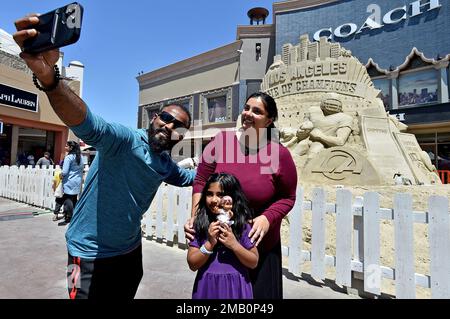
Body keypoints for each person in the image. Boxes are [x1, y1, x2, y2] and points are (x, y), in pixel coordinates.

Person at [13, 15, 195, 299]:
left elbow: (190, 178)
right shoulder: (124, 140)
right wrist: (50, 80)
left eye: (179, 126)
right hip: (84, 253)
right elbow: (88, 124)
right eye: (167, 118)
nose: (170, 126)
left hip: (130, 254)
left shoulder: (164, 166)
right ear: (155, 117)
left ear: (181, 137)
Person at [185, 92, 298, 299]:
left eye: (257, 111)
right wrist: (195, 218)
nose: (248, 113)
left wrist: (267, 218)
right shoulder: (221, 142)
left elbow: (288, 197)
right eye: (246, 108)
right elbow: (200, 181)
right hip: (219, 244)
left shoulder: (278, 153)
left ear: (269, 120)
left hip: (259, 247)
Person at [187, 173, 258, 299]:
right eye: (209, 194)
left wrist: (234, 245)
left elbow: (253, 261)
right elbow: (192, 264)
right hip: (207, 288)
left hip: (236, 289)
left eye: (220, 195)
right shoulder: (199, 225)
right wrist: (209, 244)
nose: (214, 200)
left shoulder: (241, 226)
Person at [58, 141, 84, 225]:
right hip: (77, 181)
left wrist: (60, 175)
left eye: (66, 146)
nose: (65, 147)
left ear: (71, 148)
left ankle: (69, 216)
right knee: (74, 199)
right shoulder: (80, 157)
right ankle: (76, 216)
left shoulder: (69, 157)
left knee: (67, 199)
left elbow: (64, 171)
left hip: (69, 181)